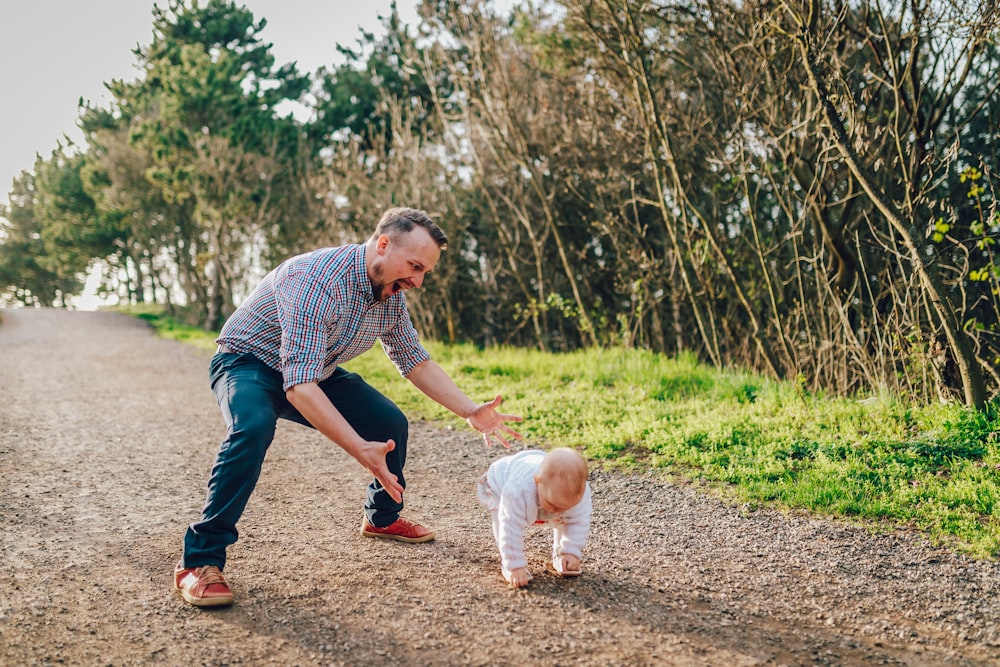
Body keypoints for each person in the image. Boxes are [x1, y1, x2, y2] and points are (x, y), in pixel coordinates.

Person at [174, 207, 523, 607]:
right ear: (383, 244)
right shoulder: (314, 280)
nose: (418, 280)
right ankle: (198, 561)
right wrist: (359, 448)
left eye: (425, 271)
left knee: (388, 421)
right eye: (414, 266)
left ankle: (382, 518)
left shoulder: (389, 294)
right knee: (252, 427)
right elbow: (299, 388)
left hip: (312, 369)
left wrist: (469, 410)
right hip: (247, 362)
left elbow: (414, 360)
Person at [476, 447, 592, 589]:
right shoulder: (518, 490)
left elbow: (578, 522)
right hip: (500, 482)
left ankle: (561, 554)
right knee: (503, 518)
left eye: (565, 506)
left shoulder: (578, 494)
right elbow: (510, 526)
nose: (557, 511)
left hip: (536, 474)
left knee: (566, 518)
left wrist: (571, 551)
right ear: (538, 481)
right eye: (552, 504)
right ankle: (508, 563)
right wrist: (515, 566)